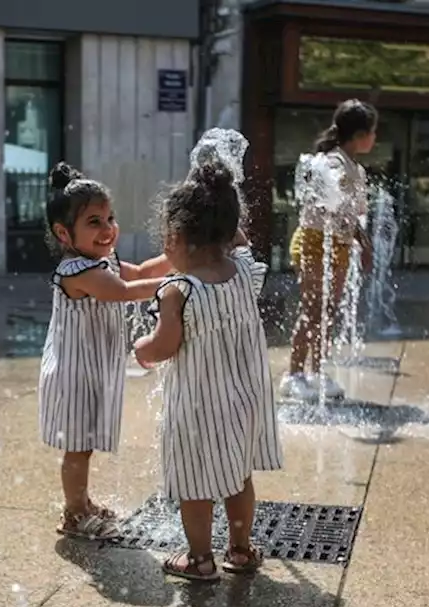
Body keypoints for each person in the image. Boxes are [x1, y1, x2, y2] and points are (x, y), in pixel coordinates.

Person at [132, 162, 282, 581]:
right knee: (238, 477)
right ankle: (241, 548)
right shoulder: (244, 273)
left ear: (176, 238)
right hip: (246, 401)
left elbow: (163, 346)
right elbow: (243, 242)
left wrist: (140, 347)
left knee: (194, 486)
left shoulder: (178, 291)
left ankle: (199, 559)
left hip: (199, 410)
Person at [39, 163, 165, 539]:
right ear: (64, 233)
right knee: (77, 449)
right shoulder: (75, 270)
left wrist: (182, 257)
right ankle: (74, 513)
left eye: (110, 218)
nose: (108, 228)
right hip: (73, 373)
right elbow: (125, 291)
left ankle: (83, 502)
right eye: (94, 222)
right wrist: (181, 281)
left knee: (85, 445)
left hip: (92, 370)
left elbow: (140, 272)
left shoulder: (102, 261)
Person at [280, 99, 378, 404]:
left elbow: (353, 216)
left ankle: (318, 371)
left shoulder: (357, 170)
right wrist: (357, 236)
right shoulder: (329, 163)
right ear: (360, 134)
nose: (375, 138)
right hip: (313, 241)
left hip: (339, 245)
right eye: (373, 132)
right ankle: (293, 375)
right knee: (312, 310)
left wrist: (362, 242)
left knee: (328, 312)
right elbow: (322, 207)